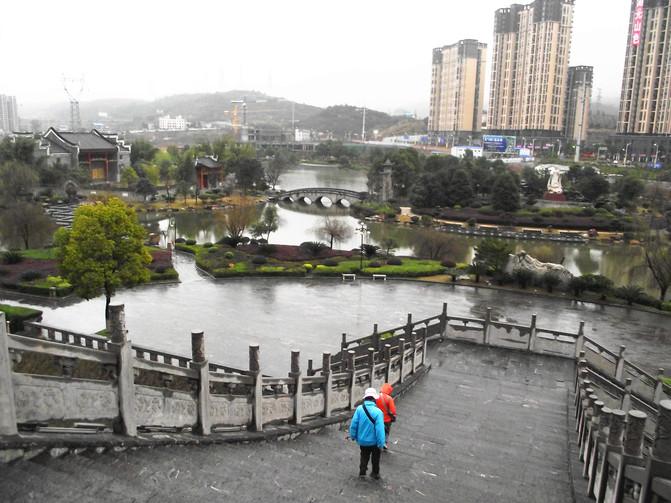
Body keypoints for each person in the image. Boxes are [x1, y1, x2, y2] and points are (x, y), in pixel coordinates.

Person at [349, 387, 386, 480]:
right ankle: (375, 473)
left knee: (364, 456)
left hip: (363, 440)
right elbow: (380, 430)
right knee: (375, 458)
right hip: (374, 442)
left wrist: (352, 436)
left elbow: (354, 424)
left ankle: (362, 472)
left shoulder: (360, 409)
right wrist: (381, 443)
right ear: (374, 399)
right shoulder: (378, 412)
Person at [375, 382, 396, 451]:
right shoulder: (389, 399)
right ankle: (384, 443)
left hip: (377, 417)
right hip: (386, 419)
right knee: (386, 431)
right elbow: (393, 410)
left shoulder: (376, 395)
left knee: (376, 429)